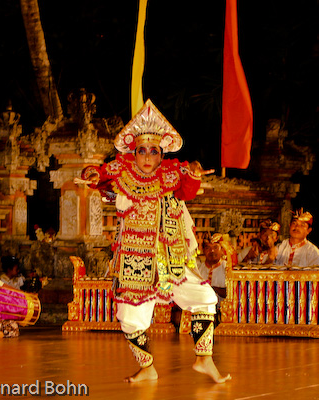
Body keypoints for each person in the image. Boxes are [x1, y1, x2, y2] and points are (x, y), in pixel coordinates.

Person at [79, 99, 230, 384]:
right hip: (134, 259)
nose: (148, 156)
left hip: (170, 257)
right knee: (130, 317)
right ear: (133, 153)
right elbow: (99, 176)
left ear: (162, 154)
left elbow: (188, 186)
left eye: (154, 151)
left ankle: (204, 359)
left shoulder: (172, 174)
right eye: (142, 151)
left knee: (205, 299)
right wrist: (91, 175)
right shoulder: (122, 171)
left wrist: (194, 171)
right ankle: (147, 366)